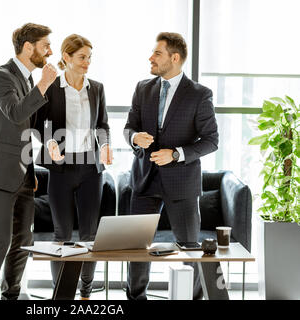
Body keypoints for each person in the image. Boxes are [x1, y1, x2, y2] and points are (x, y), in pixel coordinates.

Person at [123, 32, 227, 300]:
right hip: (144, 180)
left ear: (175, 57)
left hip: (181, 182)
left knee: (190, 249)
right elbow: (129, 127)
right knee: (136, 248)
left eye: (157, 53)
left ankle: (192, 298)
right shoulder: (143, 88)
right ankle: (135, 298)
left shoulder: (199, 94)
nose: (151, 58)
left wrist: (177, 154)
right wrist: (135, 137)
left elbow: (212, 141)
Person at [0, 23, 57, 300]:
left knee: (23, 241)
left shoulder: (27, 80)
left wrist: (31, 169)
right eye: (46, 45)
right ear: (28, 47)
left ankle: (11, 295)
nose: (50, 51)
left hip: (23, 173)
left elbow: (28, 128)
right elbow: (15, 113)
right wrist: (45, 83)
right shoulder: (1, 77)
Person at [34, 34, 112, 300]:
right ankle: (61, 294)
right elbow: (38, 124)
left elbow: (102, 125)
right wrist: (49, 143)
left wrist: (105, 145)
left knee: (90, 235)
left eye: (90, 57)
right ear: (66, 57)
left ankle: (87, 291)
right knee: (62, 235)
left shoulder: (97, 88)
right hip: (61, 169)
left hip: (90, 169)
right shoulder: (52, 87)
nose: (87, 62)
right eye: (82, 57)